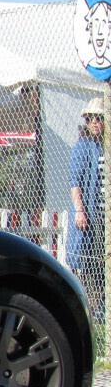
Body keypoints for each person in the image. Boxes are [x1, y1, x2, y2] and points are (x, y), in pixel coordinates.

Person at [68, 97, 105, 317]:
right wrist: (79, 210)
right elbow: (75, 182)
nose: (94, 122)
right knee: (88, 264)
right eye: (91, 118)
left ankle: (99, 311)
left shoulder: (105, 148)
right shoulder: (83, 147)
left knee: (102, 264)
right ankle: (88, 313)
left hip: (104, 217)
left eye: (99, 118)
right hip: (90, 217)